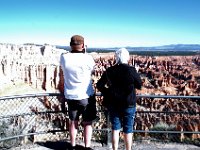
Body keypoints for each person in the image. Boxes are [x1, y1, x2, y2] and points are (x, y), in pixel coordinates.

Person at [96, 48, 142, 150]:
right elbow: (139, 85)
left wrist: (108, 92)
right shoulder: (131, 70)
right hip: (128, 104)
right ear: (127, 57)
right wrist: (136, 73)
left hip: (113, 103)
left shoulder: (110, 70)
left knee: (115, 128)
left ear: (116, 57)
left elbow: (99, 85)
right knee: (128, 129)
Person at [60, 35, 97, 150]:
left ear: (71, 45)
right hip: (86, 96)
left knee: (73, 122)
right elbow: (92, 70)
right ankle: (87, 147)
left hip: (70, 96)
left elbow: (61, 74)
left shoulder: (64, 57)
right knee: (87, 123)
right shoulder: (88, 58)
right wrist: (84, 53)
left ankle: (73, 146)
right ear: (83, 45)